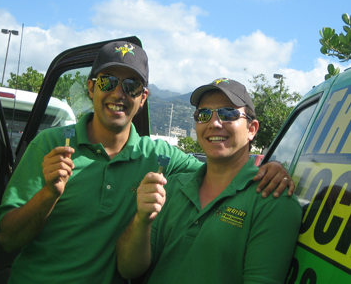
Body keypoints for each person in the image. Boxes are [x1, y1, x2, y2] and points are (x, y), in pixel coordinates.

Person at [0, 42, 294, 284]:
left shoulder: (159, 159)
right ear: (91, 88)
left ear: (144, 97)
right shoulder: (50, 145)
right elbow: (8, 239)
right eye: (107, 81)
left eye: (131, 86)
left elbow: (221, 168)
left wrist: (269, 165)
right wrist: (48, 193)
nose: (118, 93)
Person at [116, 78, 302, 283]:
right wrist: (142, 220)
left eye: (228, 113)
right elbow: (128, 270)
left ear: (252, 129)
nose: (214, 123)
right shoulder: (174, 186)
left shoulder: (272, 201)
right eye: (203, 115)